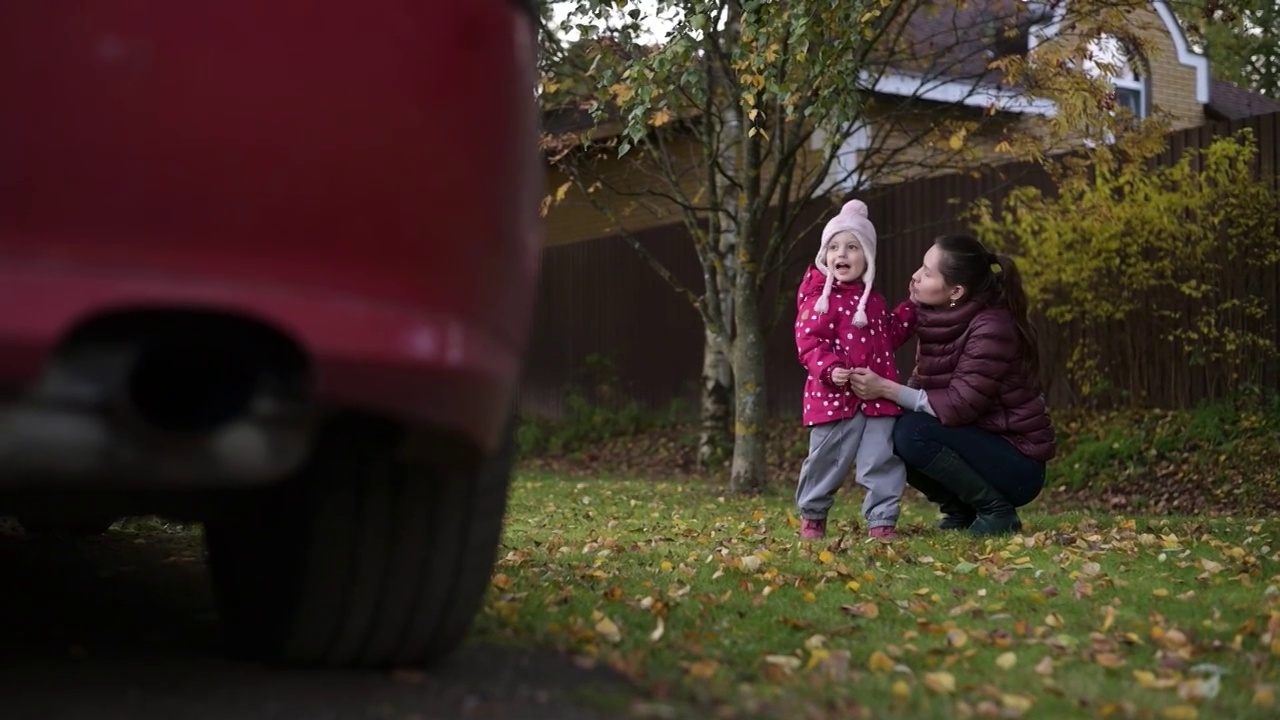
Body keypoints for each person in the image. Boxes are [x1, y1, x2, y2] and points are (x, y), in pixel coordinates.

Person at [848, 234, 1055, 535]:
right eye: (921, 267)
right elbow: (923, 386)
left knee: (910, 432)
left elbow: (959, 405)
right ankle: (960, 511)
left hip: (1017, 464)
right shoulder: (938, 318)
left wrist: (886, 389)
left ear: (956, 291)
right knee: (890, 427)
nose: (915, 277)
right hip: (979, 443)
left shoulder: (991, 327)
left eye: (928, 273)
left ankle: (996, 511)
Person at [793, 200, 917, 541]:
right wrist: (830, 369)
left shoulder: (873, 300)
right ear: (824, 255)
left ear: (868, 257)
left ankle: (882, 521)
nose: (841, 254)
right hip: (834, 400)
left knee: (881, 460)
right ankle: (813, 516)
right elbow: (809, 342)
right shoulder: (821, 298)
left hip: (878, 399)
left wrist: (911, 310)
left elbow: (889, 335)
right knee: (826, 462)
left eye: (852, 247)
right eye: (833, 247)